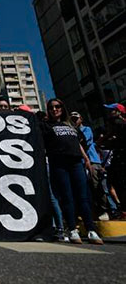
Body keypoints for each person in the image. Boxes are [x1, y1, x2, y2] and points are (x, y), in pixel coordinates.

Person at [41, 98, 103, 245]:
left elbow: (78, 143)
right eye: (51, 107)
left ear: (62, 108)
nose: (54, 109)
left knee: (83, 197)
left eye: (57, 106)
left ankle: (91, 229)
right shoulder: (46, 126)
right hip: (59, 164)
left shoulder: (71, 125)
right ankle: (72, 229)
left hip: (76, 163)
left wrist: (86, 158)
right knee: (67, 197)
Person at [71, 111, 108, 219]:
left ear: (81, 119)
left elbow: (84, 142)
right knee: (85, 188)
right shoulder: (72, 131)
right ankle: (93, 211)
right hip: (80, 162)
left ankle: (104, 209)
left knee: (96, 185)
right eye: (72, 120)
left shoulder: (86, 129)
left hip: (92, 160)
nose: (74, 121)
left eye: (76, 119)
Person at [98, 103, 126, 218]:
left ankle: (123, 208)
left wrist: (102, 142)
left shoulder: (117, 122)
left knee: (117, 182)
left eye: (112, 110)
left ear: (118, 112)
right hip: (119, 155)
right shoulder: (119, 122)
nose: (109, 113)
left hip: (121, 157)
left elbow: (116, 139)